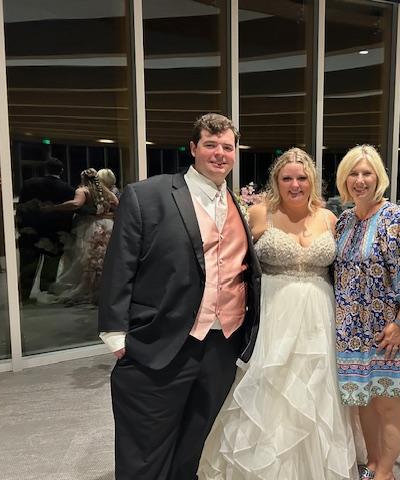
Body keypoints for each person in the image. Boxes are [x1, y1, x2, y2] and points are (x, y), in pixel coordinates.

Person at [98, 113, 261, 480]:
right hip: (160, 341)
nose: (219, 153)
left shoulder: (235, 203)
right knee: (145, 449)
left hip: (222, 345)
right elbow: (120, 264)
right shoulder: (147, 195)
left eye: (227, 147)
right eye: (210, 145)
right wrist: (115, 334)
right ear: (193, 148)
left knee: (193, 444)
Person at [200, 148, 356, 479]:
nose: (295, 185)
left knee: (317, 387)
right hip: (275, 312)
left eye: (302, 178)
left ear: (312, 181)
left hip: (319, 313)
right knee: (269, 383)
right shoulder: (260, 214)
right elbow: (229, 259)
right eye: (287, 178)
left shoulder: (329, 218)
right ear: (276, 181)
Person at [333, 145, 400, 480]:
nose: (360, 180)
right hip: (352, 331)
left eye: (367, 173)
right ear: (344, 179)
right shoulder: (344, 221)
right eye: (353, 173)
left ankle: (386, 471)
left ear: (379, 178)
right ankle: (373, 464)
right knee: (363, 399)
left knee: (387, 400)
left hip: (388, 329)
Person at [46, 168, 119, 304]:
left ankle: (88, 287)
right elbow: (117, 205)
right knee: (103, 258)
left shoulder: (82, 191)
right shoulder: (106, 191)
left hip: (90, 226)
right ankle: (102, 287)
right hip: (107, 226)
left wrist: (55, 207)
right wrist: (108, 214)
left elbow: (76, 204)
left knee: (85, 258)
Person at [16, 157, 75, 302]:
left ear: (45, 169)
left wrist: (21, 227)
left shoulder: (29, 184)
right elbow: (68, 214)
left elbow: (21, 208)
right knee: (50, 268)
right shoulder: (67, 189)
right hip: (54, 234)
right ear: (61, 170)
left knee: (27, 267)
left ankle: (23, 297)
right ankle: (46, 294)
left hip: (31, 232)